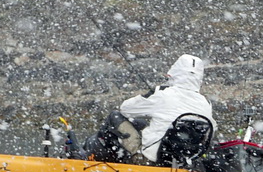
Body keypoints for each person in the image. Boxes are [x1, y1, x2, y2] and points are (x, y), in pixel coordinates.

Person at [83, 54, 217, 166]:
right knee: (140, 124)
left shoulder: (162, 93)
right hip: (183, 160)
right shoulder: (206, 102)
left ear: (173, 74)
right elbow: (211, 130)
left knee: (115, 117)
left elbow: (125, 109)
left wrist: (151, 94)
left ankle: (100, 164)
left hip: (151, 160)